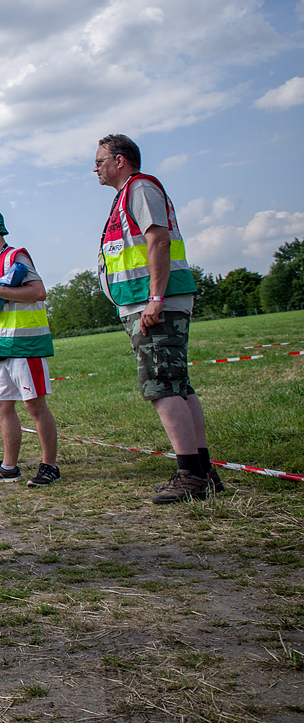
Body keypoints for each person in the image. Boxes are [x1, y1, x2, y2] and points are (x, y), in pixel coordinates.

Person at [94, 133, 221, 504]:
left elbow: (159, 240)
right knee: (178, 385)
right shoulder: (128, 194)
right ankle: (202, 471)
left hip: (154, 304)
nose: (96, 169)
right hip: (147, 301)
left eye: (100, 161)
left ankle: (191, 476)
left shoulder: (140, 187)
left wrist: (156, 298)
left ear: (121, 160)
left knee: (161, 385)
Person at [0, 209, 61, 488]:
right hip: (3, 347)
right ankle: (9, 467)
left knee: (34, 405)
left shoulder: (16, 256)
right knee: (2, 406)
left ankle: (49, 466)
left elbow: (38, 292)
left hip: (24, 345)